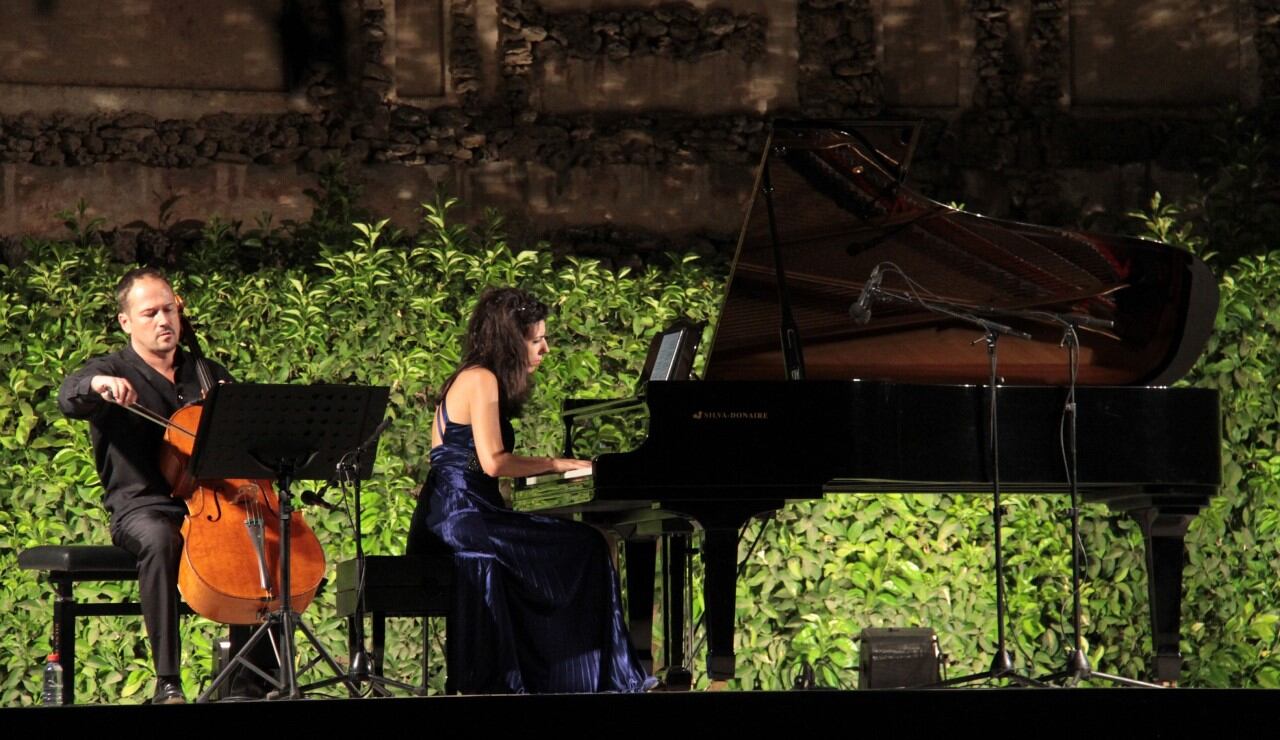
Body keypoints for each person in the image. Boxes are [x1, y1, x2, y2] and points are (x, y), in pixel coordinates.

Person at [407, 287, 654, 694]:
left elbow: (478, 465)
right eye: (537, 340)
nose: (546, 349)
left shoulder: (472, 377)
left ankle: (566, 678)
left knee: (576, 545)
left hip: (458, 511)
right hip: (461, 517)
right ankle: (596, 680)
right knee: (589, 546)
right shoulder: (481, 379)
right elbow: (494, 463)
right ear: (511, 340)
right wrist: (558, 464)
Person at [57, 267, 272, 703]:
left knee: (257, 536)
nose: (163, 321)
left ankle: (254, 680)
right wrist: (99, 386)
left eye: (169, 310)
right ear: (126, 321)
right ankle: (167, 682)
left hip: (212, 502)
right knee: (160, 538)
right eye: (150, 312)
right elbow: (70, 395)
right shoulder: (113, 369)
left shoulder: (206, 372)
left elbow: (246, 438)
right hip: (143, 507)